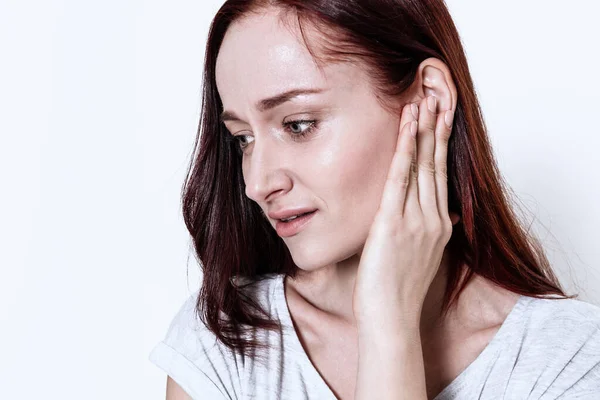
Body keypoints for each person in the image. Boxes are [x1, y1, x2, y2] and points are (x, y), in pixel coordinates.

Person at [149, 1, 600, 399]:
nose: (257, 183)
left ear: (428, 99)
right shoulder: (224, 346)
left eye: (299, 124)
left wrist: (389, 322)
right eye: (243, 138)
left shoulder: (567, 361)